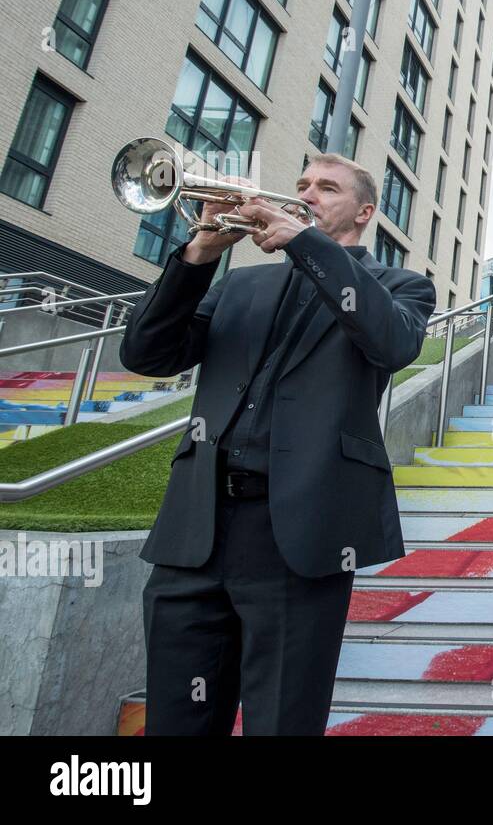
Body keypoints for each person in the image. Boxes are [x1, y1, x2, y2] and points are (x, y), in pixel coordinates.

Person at [120, 153, 437, 734]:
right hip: (196, 531)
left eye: (326, 187)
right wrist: (199, 255)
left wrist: (306, 244)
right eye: (301, 186)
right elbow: (146, 353)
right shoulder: (239, 284)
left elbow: (391, 343)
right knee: (177, 723)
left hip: (299, 536)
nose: (306, 194)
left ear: (365, 212)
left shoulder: (400, 288)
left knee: (282, 722)